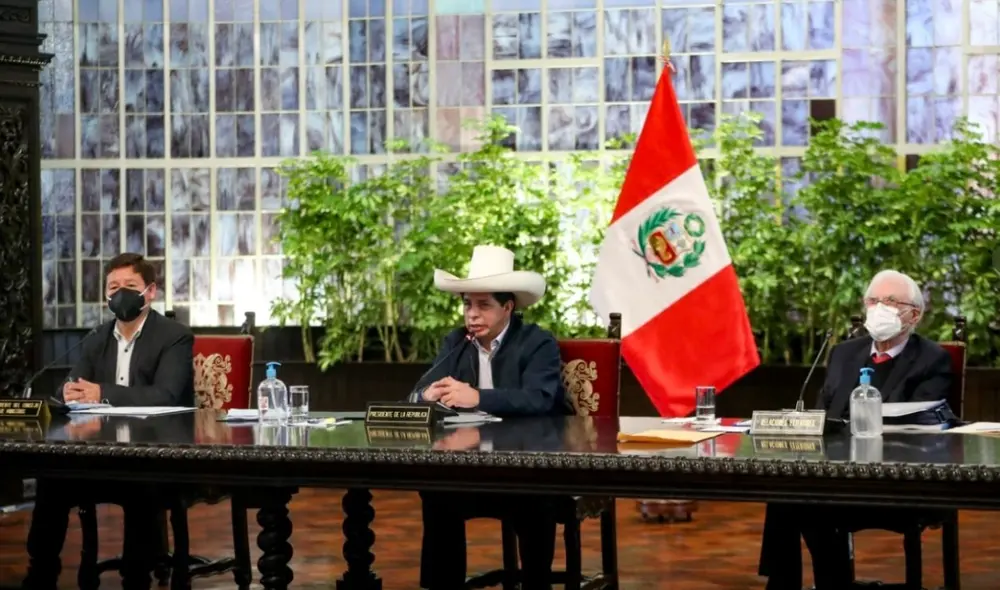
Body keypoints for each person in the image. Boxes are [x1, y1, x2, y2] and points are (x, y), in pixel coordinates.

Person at [759, 269, 953, 590]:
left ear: (914, 315)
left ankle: (832, 584)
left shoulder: (933, 359)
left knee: (811, 506)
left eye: (891, 301)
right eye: (873, 301)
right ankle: (782, 585)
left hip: (895, 480)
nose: (879, 308)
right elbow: (823, 416)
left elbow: (923, 427)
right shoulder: (844, 353)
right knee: (784, 492)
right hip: (838, 475)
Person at [24, 253, 195, 590]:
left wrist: (103, 392)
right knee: (53, 478)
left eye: (129, 285)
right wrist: (69, 391)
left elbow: (166, 395)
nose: (120, 293)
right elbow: (75, 384)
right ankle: (40, 573)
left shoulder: (175, 336)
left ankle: (136, 577)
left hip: (158, 454)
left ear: (150, 292)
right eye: (113, 287)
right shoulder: (97, 337)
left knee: (140, 483)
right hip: (102, 453)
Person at [416, 245, 569, 590]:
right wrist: (426, 395)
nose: (472, 315)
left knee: (536, 498)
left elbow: (541, 399)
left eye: (483, 305)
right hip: (471, 467)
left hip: (526, 469)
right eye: (467, 304)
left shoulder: (538, 343)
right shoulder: (456, 342)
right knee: (436, 491)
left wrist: (478, 397)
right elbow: (422, 389)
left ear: (508, 307)